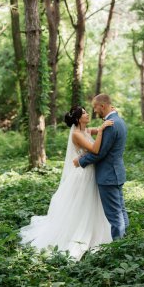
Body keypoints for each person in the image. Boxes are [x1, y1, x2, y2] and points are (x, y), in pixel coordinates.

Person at [19, 106, 113, 261]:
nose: (87, 114)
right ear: (77, 119)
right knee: (83, 205)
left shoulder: (86, 131)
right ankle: (78, 234)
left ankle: (94, 231)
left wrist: (107, 119)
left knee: (90, 203)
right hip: (83, 175)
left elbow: (98, 128)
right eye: (84, 113)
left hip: (90, 172)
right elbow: (95, 150)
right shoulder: (77, 134)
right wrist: (102, 131)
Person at [73, 94, 129, 240]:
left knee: (114, 215)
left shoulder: (111, 124)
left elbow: (100, 153)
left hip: (108, 175)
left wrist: (81, 161)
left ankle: (119, 245)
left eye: (95, 107)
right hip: (116, 172)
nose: (94, 111)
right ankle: (126, 240)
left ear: (102, 106)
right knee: (121, 210)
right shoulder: (119, 121)